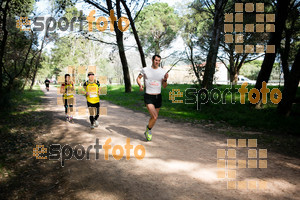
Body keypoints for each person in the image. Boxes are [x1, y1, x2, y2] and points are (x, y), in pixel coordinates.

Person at [136, 55, 169, 141]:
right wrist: (140, 85)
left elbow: (164, 86)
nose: (157, 62)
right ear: (152, 60)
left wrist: (165, 80)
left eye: (158, 61)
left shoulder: (162, 72)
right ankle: (149, 130)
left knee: (155, 117)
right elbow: (138, 78)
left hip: (158, 97)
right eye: (156, 60)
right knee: (154, 116)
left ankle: (148, 129)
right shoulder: (145, 70)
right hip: (149, 96)